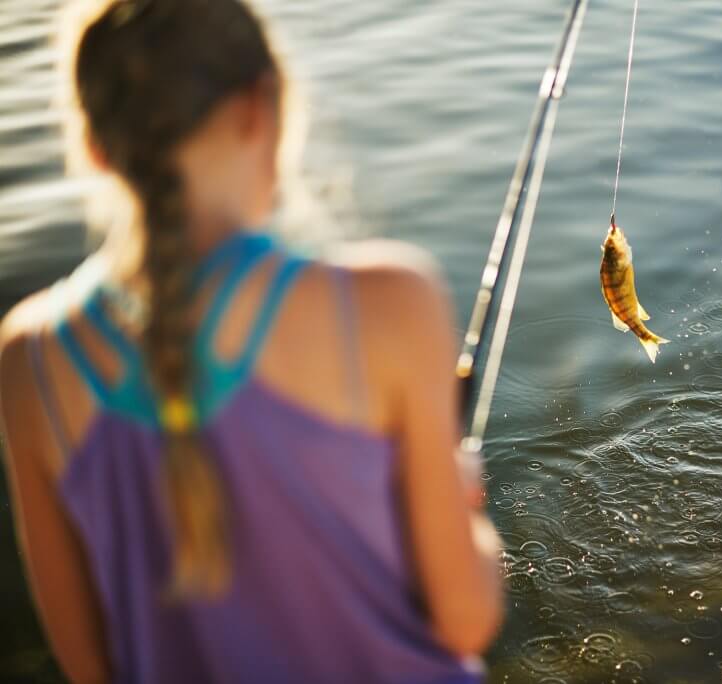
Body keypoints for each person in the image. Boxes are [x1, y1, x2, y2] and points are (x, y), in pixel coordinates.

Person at [0, 0, 504, 681]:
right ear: (259, 107)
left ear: (92, 144)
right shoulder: (391, 303)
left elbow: (91, 667)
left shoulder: (29, 358)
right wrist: (466, 518)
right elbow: (465, 620)